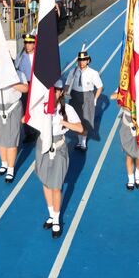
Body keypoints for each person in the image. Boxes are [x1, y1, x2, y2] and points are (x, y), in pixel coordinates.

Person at [36, 80, 82, 239]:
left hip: (58, 147)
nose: (53, 92)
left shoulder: (67, 109)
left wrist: (63, 121)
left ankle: (56, 220)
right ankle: (50, 214)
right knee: (45, 182)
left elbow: (81, 129)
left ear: (61, 92)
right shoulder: (41, 105)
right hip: (42, 145)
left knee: (56, 186)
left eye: (56, 90)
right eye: (51, 89)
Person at [64, 49, 103, 151]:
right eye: (80, 60)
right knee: (76, 119)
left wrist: (94, 99)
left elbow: (99, 87)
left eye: (84, 60)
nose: (81, 62)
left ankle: (83, 143)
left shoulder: (93, 73)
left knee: (85, 120)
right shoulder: (73, 72)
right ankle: (79, 141)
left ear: (88, 61)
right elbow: (67, 84)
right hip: (75, 96)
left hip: (87, 96)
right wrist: (65, 93)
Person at [14, 33, 36, 142]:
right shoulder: (20, 56)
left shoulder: (39, 55)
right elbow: (15, 69)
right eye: (26, 42)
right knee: (26, 107)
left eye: (30, 42)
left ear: (34, 44)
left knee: (37, 107)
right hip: (25, 84)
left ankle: (38, 127)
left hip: (36, 84)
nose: (27, 45)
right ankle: (29, 132)